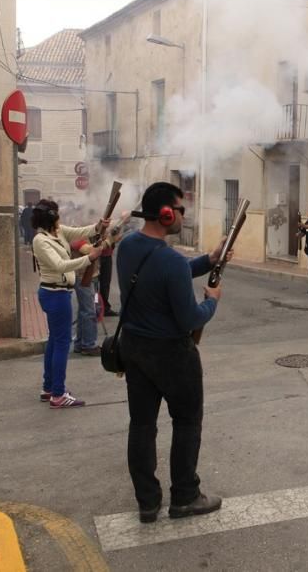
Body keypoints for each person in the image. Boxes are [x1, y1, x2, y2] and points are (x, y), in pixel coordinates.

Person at [115, 182, 228, 523]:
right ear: (166, 214)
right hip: (172, 355)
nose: (183, 215)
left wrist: (209, 259)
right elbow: (190, 318)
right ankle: (185, 496)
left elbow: (166, 272)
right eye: (179, 209)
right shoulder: (171, 261)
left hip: (134, 349)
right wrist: (211, 302)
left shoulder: (129, 246)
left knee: (142, 425)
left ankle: (148, 503)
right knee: (187, 422)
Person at [31, 199, 105, 408]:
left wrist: (100, 225)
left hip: (58, 293)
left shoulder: (58, 232)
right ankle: (58, 393)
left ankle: (49, 387)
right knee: (63, 343)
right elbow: (61, 265)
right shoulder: (41, 240)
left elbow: (81, 231)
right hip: (54, 294)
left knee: (56, 341)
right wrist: (89, 259)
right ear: (52, 217)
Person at [69, 237, 100, 356]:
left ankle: (81, 343)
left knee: (84, 311)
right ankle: (88, 344)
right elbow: (89, 250)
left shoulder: (84, 234)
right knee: (89, 311)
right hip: (82, 276)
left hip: (88, 275)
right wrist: (108, 241)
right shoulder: (76, 234)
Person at [99, 242, 118, 316]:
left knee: (105, 283)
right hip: (97, 255)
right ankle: (95, 307)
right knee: (95, 284)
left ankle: (105, 308)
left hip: (107, 255)